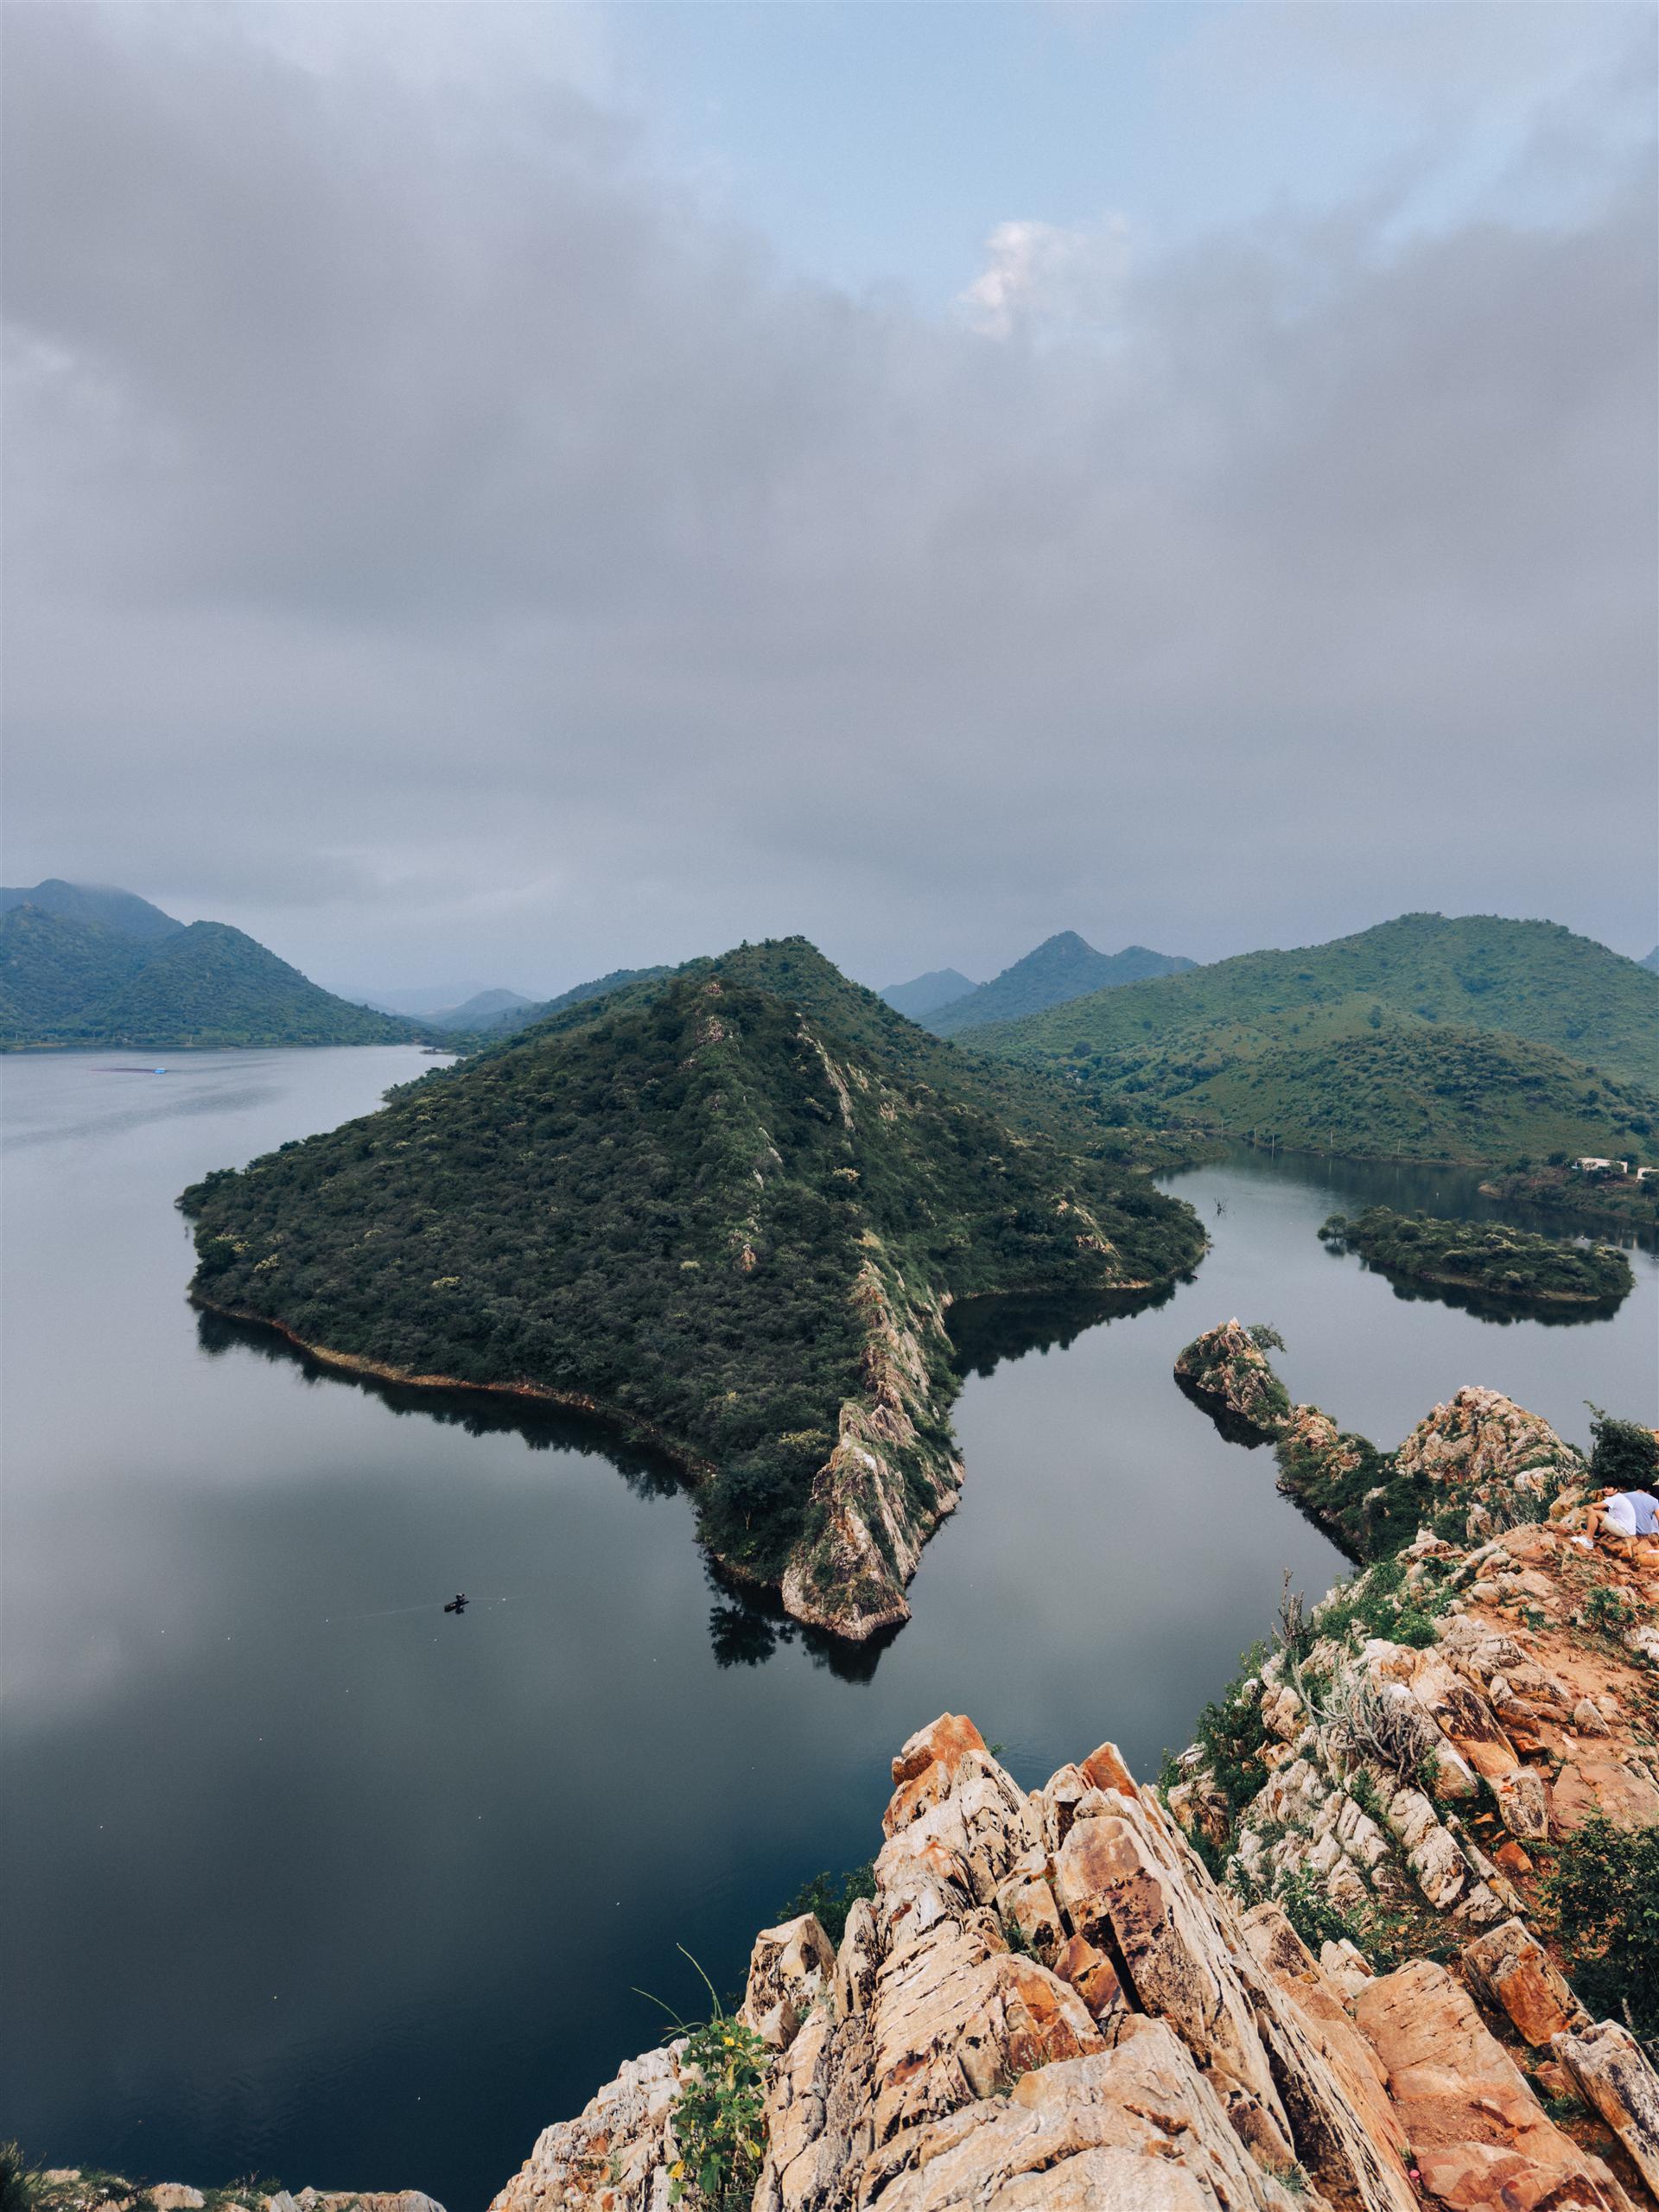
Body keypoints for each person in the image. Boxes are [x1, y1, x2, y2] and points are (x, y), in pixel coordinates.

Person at [1586, 1488, 1659, 1548]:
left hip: (1629, 1529)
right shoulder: (1654, 1501)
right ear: (1648, 1491)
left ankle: (1593, 1531)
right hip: (1644, 1532)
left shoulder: (1625, 1496)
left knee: (1599, 1513)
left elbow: (1608, 1505)